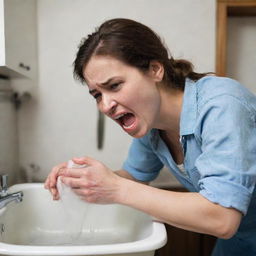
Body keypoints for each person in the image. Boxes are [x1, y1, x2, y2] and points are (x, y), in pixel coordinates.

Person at [44, 18, 256, 255]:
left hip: (234, 227)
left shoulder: (221, 105)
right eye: (96, 95)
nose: (105, 106)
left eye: (114, 85)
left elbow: (222, 218)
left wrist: (115, 188)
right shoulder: (152, 125)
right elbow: (132, 178)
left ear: (155, 70)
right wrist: (81, 179)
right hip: (241, 237)